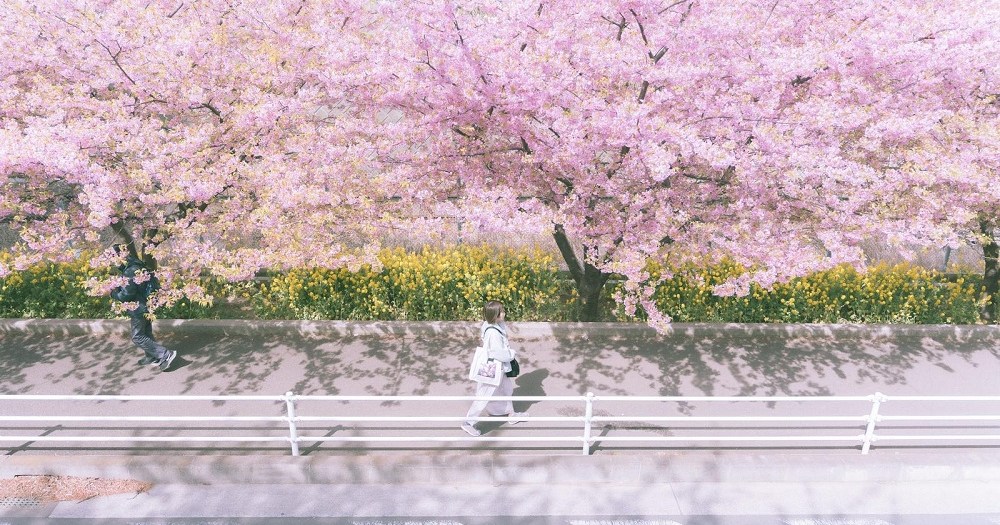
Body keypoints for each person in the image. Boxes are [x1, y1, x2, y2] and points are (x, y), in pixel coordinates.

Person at [461, 300, 528, 436]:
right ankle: (468, 423)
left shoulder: (491, 325)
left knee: (506, 389)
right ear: (495, 315)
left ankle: (511, 414)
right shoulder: (493, 332)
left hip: (497, 368)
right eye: (501, 311)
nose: (504, 313)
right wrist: (511, 354)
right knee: (483, 395)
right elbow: (499, 353)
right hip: (492, 369)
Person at [110, 246, 177, 372]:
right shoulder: (137, 264)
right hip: (148, 304)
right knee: (146, 332)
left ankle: (165, 354)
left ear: (119, 256)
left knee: (137, 336)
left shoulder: (130, 270)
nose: (113, 262)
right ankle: (152, 356)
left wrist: (112, 293)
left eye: (113, 258)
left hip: (138, 308)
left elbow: (126, 295)